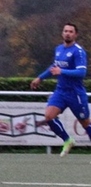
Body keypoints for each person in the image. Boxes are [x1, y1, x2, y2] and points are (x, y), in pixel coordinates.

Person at [30, 22, 91, 156]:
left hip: (76, 94)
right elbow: (54, 67)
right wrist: (40, 78)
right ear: (62, 33)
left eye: (71, 31)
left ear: (75, 34)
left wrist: (62, 71)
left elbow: (81, 73)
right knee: (49, 116)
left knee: (86, 123)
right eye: (66, 31)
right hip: (61, 92)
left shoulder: (78, 51)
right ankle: (67, 140)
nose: (68, 33)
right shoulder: (58, 49)